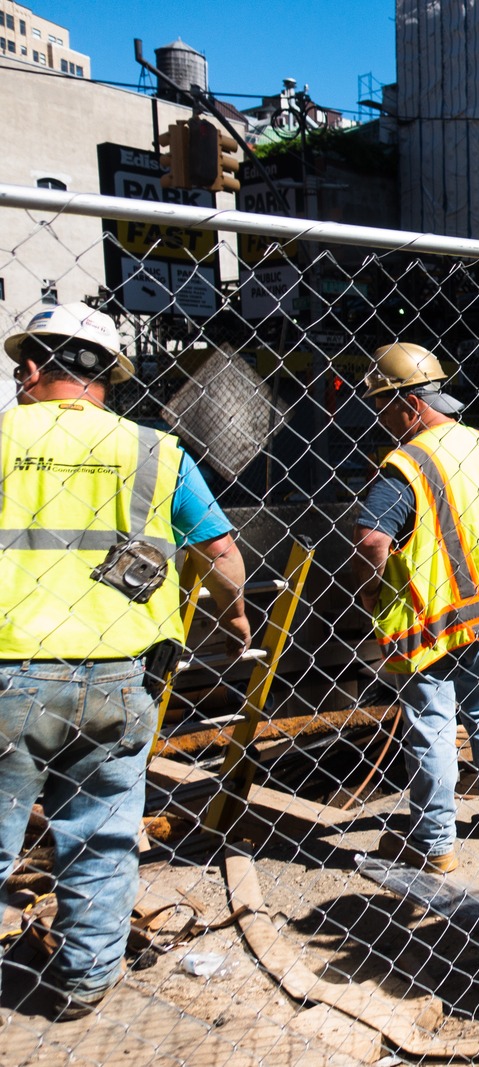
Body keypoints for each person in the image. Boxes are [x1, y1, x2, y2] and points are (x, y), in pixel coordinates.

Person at [0, 303, 250, 1020]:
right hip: (119, 676)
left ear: (35, 366)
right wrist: (232, 615)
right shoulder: (153, 450)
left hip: (8, 668)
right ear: (109, 375)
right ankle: (82, 981)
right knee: (104, 835)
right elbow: (224, 556)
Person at [352, 344, 479, 874]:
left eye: (385, 408)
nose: (384, 421)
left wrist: (371, 593)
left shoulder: (406, 463)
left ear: (408, 404)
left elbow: (370, 541)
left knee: (430, 724)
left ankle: (436, 845)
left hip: (429, 621)